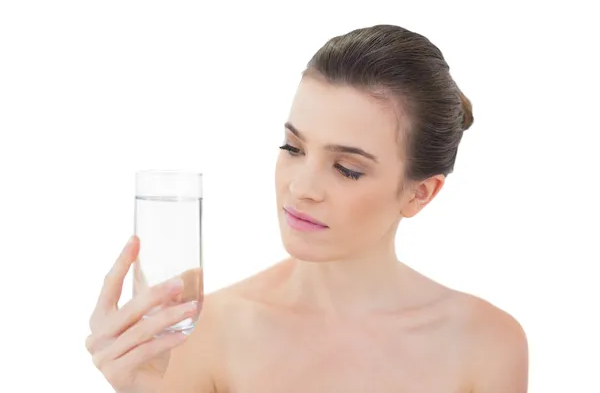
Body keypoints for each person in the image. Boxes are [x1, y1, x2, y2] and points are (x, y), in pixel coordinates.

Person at [86, 24, 529, 392]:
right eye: (292, 147)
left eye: (347, 169)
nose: (300, 187)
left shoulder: (488, 345)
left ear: (421, 193)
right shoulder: (202, 334)